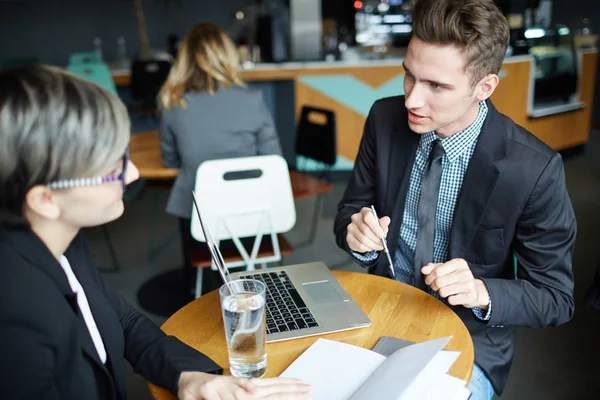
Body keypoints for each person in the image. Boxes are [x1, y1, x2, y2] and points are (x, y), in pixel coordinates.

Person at [0, 64, 310, 400]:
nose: (131, 174)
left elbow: (123, 321)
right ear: (45, 199)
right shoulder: (14, 318)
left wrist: (188, 377)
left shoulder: (64, 242)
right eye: (111, 168)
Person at [333, 0, 575, 398]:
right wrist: (357, 235)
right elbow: (348, 213)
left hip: (468, 339)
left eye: (437, 86)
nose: (411, 100)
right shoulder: (383, 118)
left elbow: (555, 298)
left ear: (485, 87)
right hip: (379, 311)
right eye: (409, 76)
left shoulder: (534, 170)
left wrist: (482, 291)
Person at [158, 23, 283, 294]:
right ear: (228, 55)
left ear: (184, 60)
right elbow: (274, 161)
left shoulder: (175, 103)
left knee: (189, 194)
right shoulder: (253, 99)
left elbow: (169, 160)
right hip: (252, 217)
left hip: (200, 221)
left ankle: (197, 292)